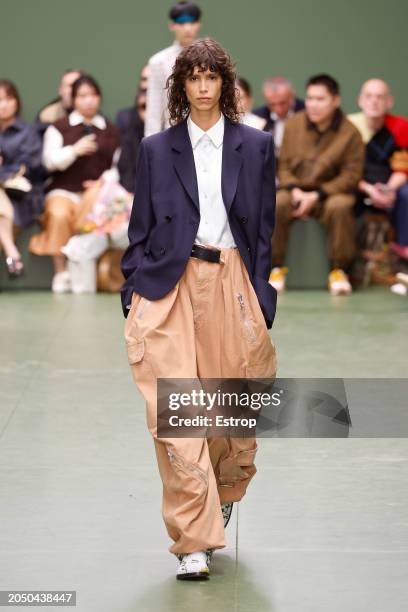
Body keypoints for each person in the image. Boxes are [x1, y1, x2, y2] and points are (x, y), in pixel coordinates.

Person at [121, 37, 277, 580]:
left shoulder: (255, 146)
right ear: (181, 86)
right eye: (194, 77)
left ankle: (221, 491)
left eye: (213, 77)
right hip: (168, 284)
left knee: (232, 410)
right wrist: (131, 292)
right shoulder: (157, 149)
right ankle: (193, 539)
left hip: (232, 279)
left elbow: (262, 227)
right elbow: (140, 225)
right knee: (178, 415)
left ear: (225, 85)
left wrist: (260, 293)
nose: (205, 87)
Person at [270, 74, 365, 295]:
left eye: (320, 99)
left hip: (330, 194)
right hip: (295, 192)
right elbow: (282, 166)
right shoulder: (293, 126)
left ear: (335, 101)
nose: (313, 104)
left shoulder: (350, 133)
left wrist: (319, 194)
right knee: (276, 202)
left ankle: (339, 270)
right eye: (310, 98)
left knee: (340, 206)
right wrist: (294, 189)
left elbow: (352, 175)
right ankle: (275, 268)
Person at [29, 75, 121, 292]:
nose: (88, 100)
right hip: (63, 191)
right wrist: (74, 150)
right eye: (82, 96)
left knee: (103, 212)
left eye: (93, 95)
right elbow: (49, 162)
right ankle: (61, 273)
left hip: (97, 193)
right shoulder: (58, 128)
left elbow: (118, 166)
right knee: (59, 214)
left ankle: (94, 272)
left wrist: (103, 180)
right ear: (73, 99)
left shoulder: (111, 130)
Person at [348, 79, 408, 294]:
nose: (374, 101)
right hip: (358, 186)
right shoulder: (350, 126)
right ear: (360, 100)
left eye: (380, 97)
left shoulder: (400, 127)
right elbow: (346, 170)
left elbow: (402, 167)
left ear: (389, 102)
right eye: (369, 96)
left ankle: (402, 253)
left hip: (389, 187)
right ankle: (345, 265)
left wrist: (388, 190)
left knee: (406, 193)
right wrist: (369, 190)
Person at [0, 79, 43, 277]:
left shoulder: (27, 132)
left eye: (8, 99)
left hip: (20, 196)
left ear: (17, 101)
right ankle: (12, 253)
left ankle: (12, 253)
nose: (4, 104)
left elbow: (26, 167)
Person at [144, 1, 202, 136]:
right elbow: (154, 107)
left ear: (198, 24)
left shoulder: (213, 57)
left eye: (192, 22)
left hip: (209, 130)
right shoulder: (158, 61)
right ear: (172, 25)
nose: (187, 28)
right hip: (174, 131)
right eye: (181, 23)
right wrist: (151, 145)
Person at [253, 76, 304, 154]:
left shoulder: (306, 112)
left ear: (292, 96)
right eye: (272, 104)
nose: (278, 109)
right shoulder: (258, 117)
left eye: (282, 103)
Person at [35, 69, 82, 137]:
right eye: (69, 86)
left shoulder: (95, 116)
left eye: (77, 86)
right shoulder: (48, 116)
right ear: (60, 89)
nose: (73, 90)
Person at [115, 64, 150, 136]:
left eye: (153, 80)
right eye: (144, 79)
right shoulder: (124, 117)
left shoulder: (171, 118)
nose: (147, 85)